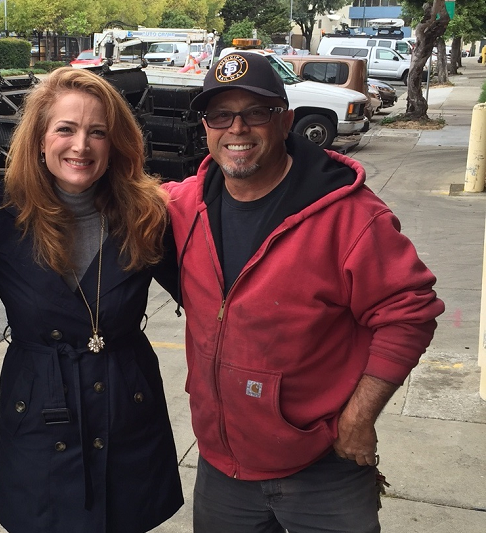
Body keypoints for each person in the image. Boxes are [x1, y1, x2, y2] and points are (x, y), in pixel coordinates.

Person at [162, 51, 445, 532]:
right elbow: (106, 197)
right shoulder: (184, 205)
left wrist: (359, 417)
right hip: (223, 466)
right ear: (206, 126)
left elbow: (410, 311)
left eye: (256, 112)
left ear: (286, 119)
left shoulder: (350, 217)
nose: (237, 129)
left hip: (324, 469)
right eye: (221, 114)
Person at [0, 67, 183, 532]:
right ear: (39, 138)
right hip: (38, 411)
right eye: (66, 129)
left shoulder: (147, 214)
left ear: (115, 143)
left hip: (125, 408)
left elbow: (212, 297)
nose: (81, 146)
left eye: (98, 132)